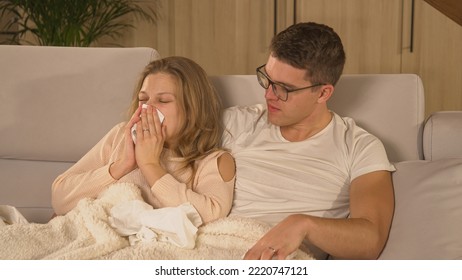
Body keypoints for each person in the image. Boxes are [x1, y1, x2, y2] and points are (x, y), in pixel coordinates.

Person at [222, 22, 395, 260]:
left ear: (323, 93)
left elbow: (371, 240)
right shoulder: (237, 123)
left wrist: (303, 225)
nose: (268, 94)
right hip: (218, 247)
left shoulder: (359, 147)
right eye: (267, 79)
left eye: (284, 88)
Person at [52, 56, 236, 225]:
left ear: (192, 109)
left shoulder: (215, 161)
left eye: (163, 100)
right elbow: (60, 200)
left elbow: (210, 216)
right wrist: (123, 165)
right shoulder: (119, 136)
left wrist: (149, 165)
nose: (148, 108)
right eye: (143, 99)